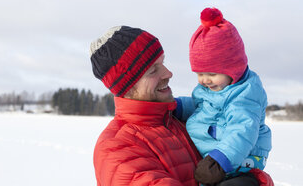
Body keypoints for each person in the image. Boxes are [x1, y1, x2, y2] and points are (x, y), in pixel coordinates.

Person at [90, 25, 273, 186]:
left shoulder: (178, 121)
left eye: (163, 63)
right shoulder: (118, 149)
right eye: (153, 70)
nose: (168, 73)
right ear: (127, 86)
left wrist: (255, 180)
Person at [175, 8, 272, 185]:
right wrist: (178, 106)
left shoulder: (244, 95)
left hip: (240, 159)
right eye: (199, 73)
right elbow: (201, 107)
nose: (204, 80)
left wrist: (220, 160)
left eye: (211, 73)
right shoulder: (214, 88)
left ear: (233, 69)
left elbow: (242, 131)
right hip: (216, 157)